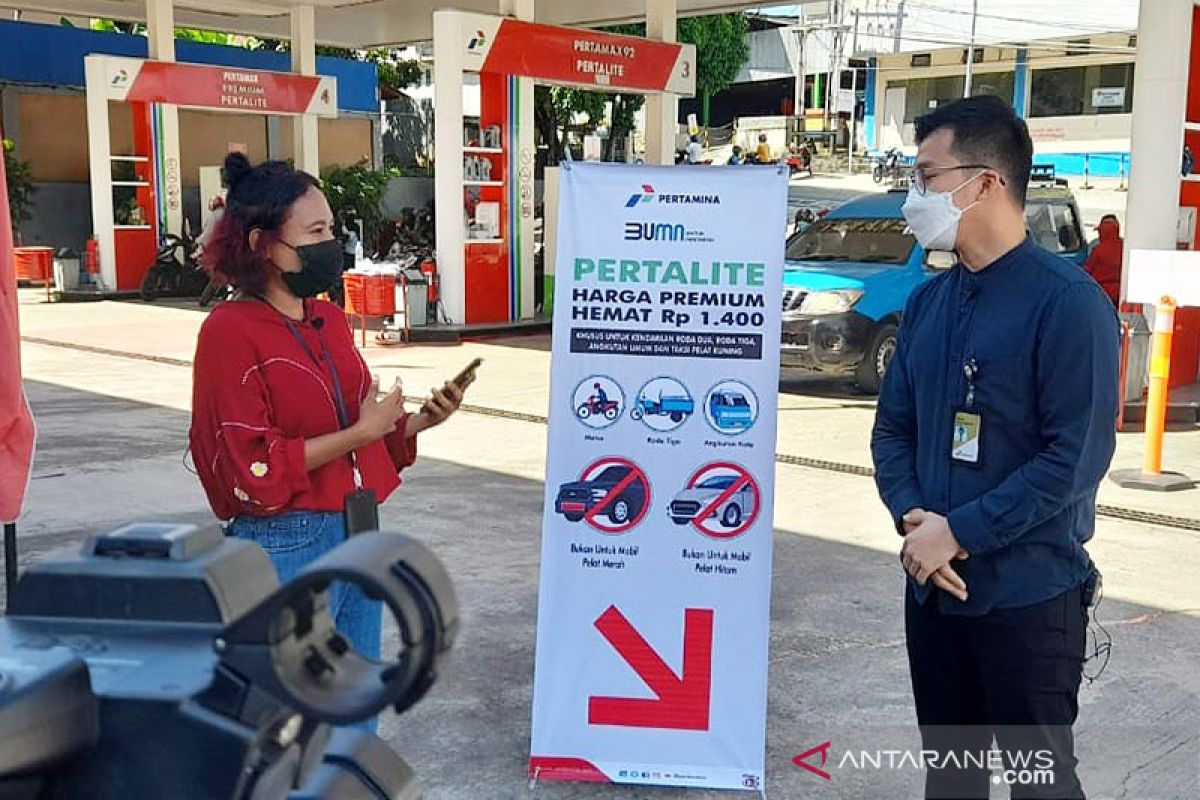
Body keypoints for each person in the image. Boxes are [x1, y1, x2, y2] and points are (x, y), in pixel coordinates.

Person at [870, 95, 1119, 800]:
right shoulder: (928, 303)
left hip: (1028, 600)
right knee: (953, 781)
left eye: (926, 175)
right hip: (935, 596)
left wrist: (961, 531)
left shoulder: (1067, 305)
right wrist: (915, 519)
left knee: (1039, 784)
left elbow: (1073, 458)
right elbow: (893, 429)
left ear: (986, 182)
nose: (913, 197)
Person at [189, 154, 467, 728]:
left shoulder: (329, 320)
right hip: (285, 542)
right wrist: (359, 432)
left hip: (355, 532)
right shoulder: (229, 332)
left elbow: (360, 432)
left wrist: (413, 424)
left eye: (333, 229)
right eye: (315, 232)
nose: (331, 243)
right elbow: (252, 468)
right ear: (263, 244)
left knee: (353, 707)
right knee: (287, 718)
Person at [1083, 214, 1123, 305]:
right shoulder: (1124, 247)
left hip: (1102, 293)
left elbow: (1087, 270)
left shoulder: (1098, 250)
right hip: (1121, 292)